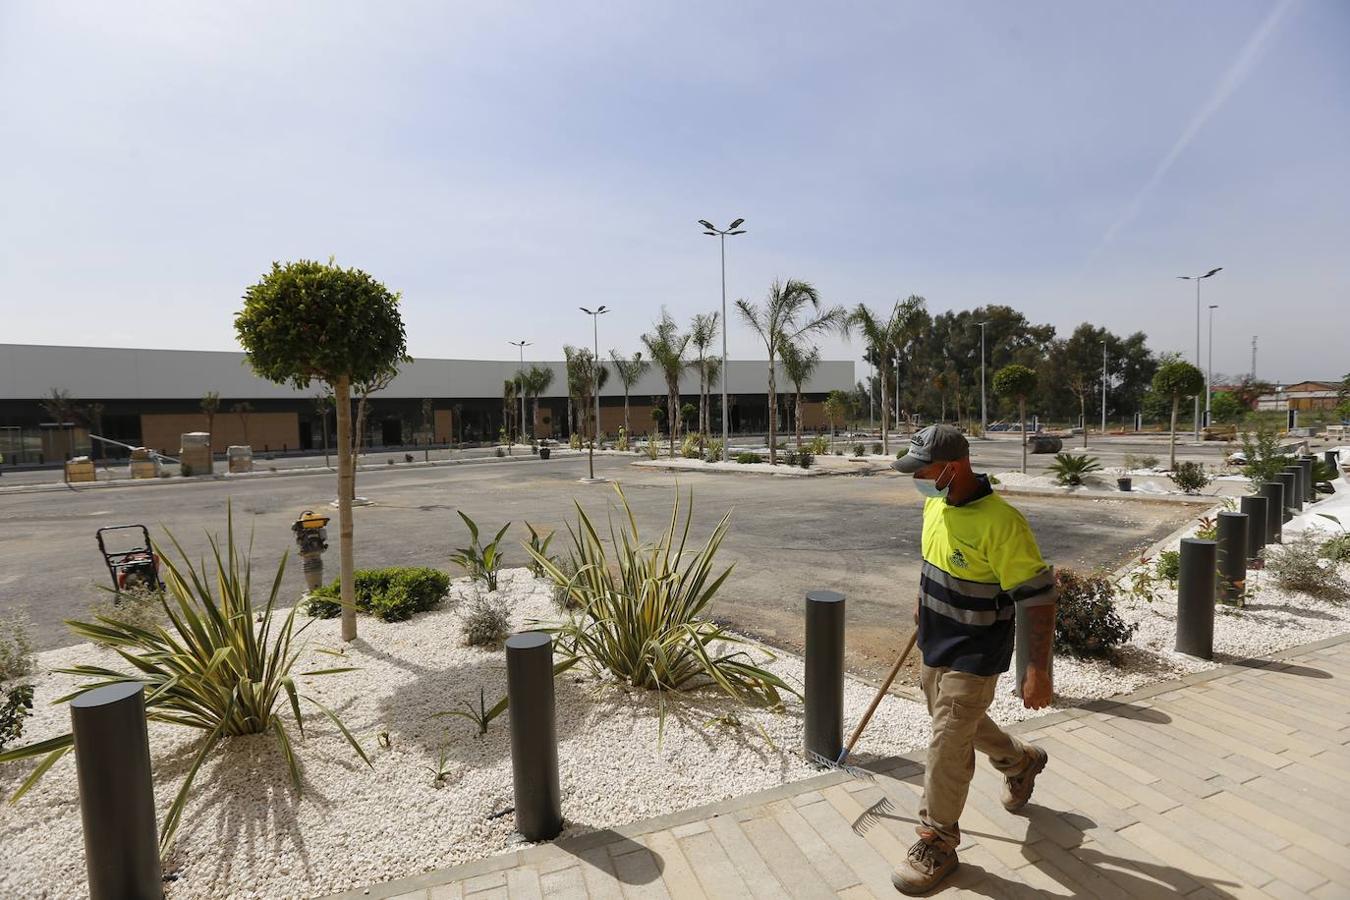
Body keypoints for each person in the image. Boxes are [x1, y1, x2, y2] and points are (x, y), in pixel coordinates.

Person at [889, 424, 1057, 894]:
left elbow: (1039, 597)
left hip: (978, 650)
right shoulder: (935, 503)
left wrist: (1037, 670)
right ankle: (1019, 760)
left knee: (947, 739)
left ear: (952, 467)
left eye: (922, 469)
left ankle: (937, 840)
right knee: (955, 724)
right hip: (937, 642)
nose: (917, 477)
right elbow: (932, 562)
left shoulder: (1002, 523)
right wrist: (922, 609)